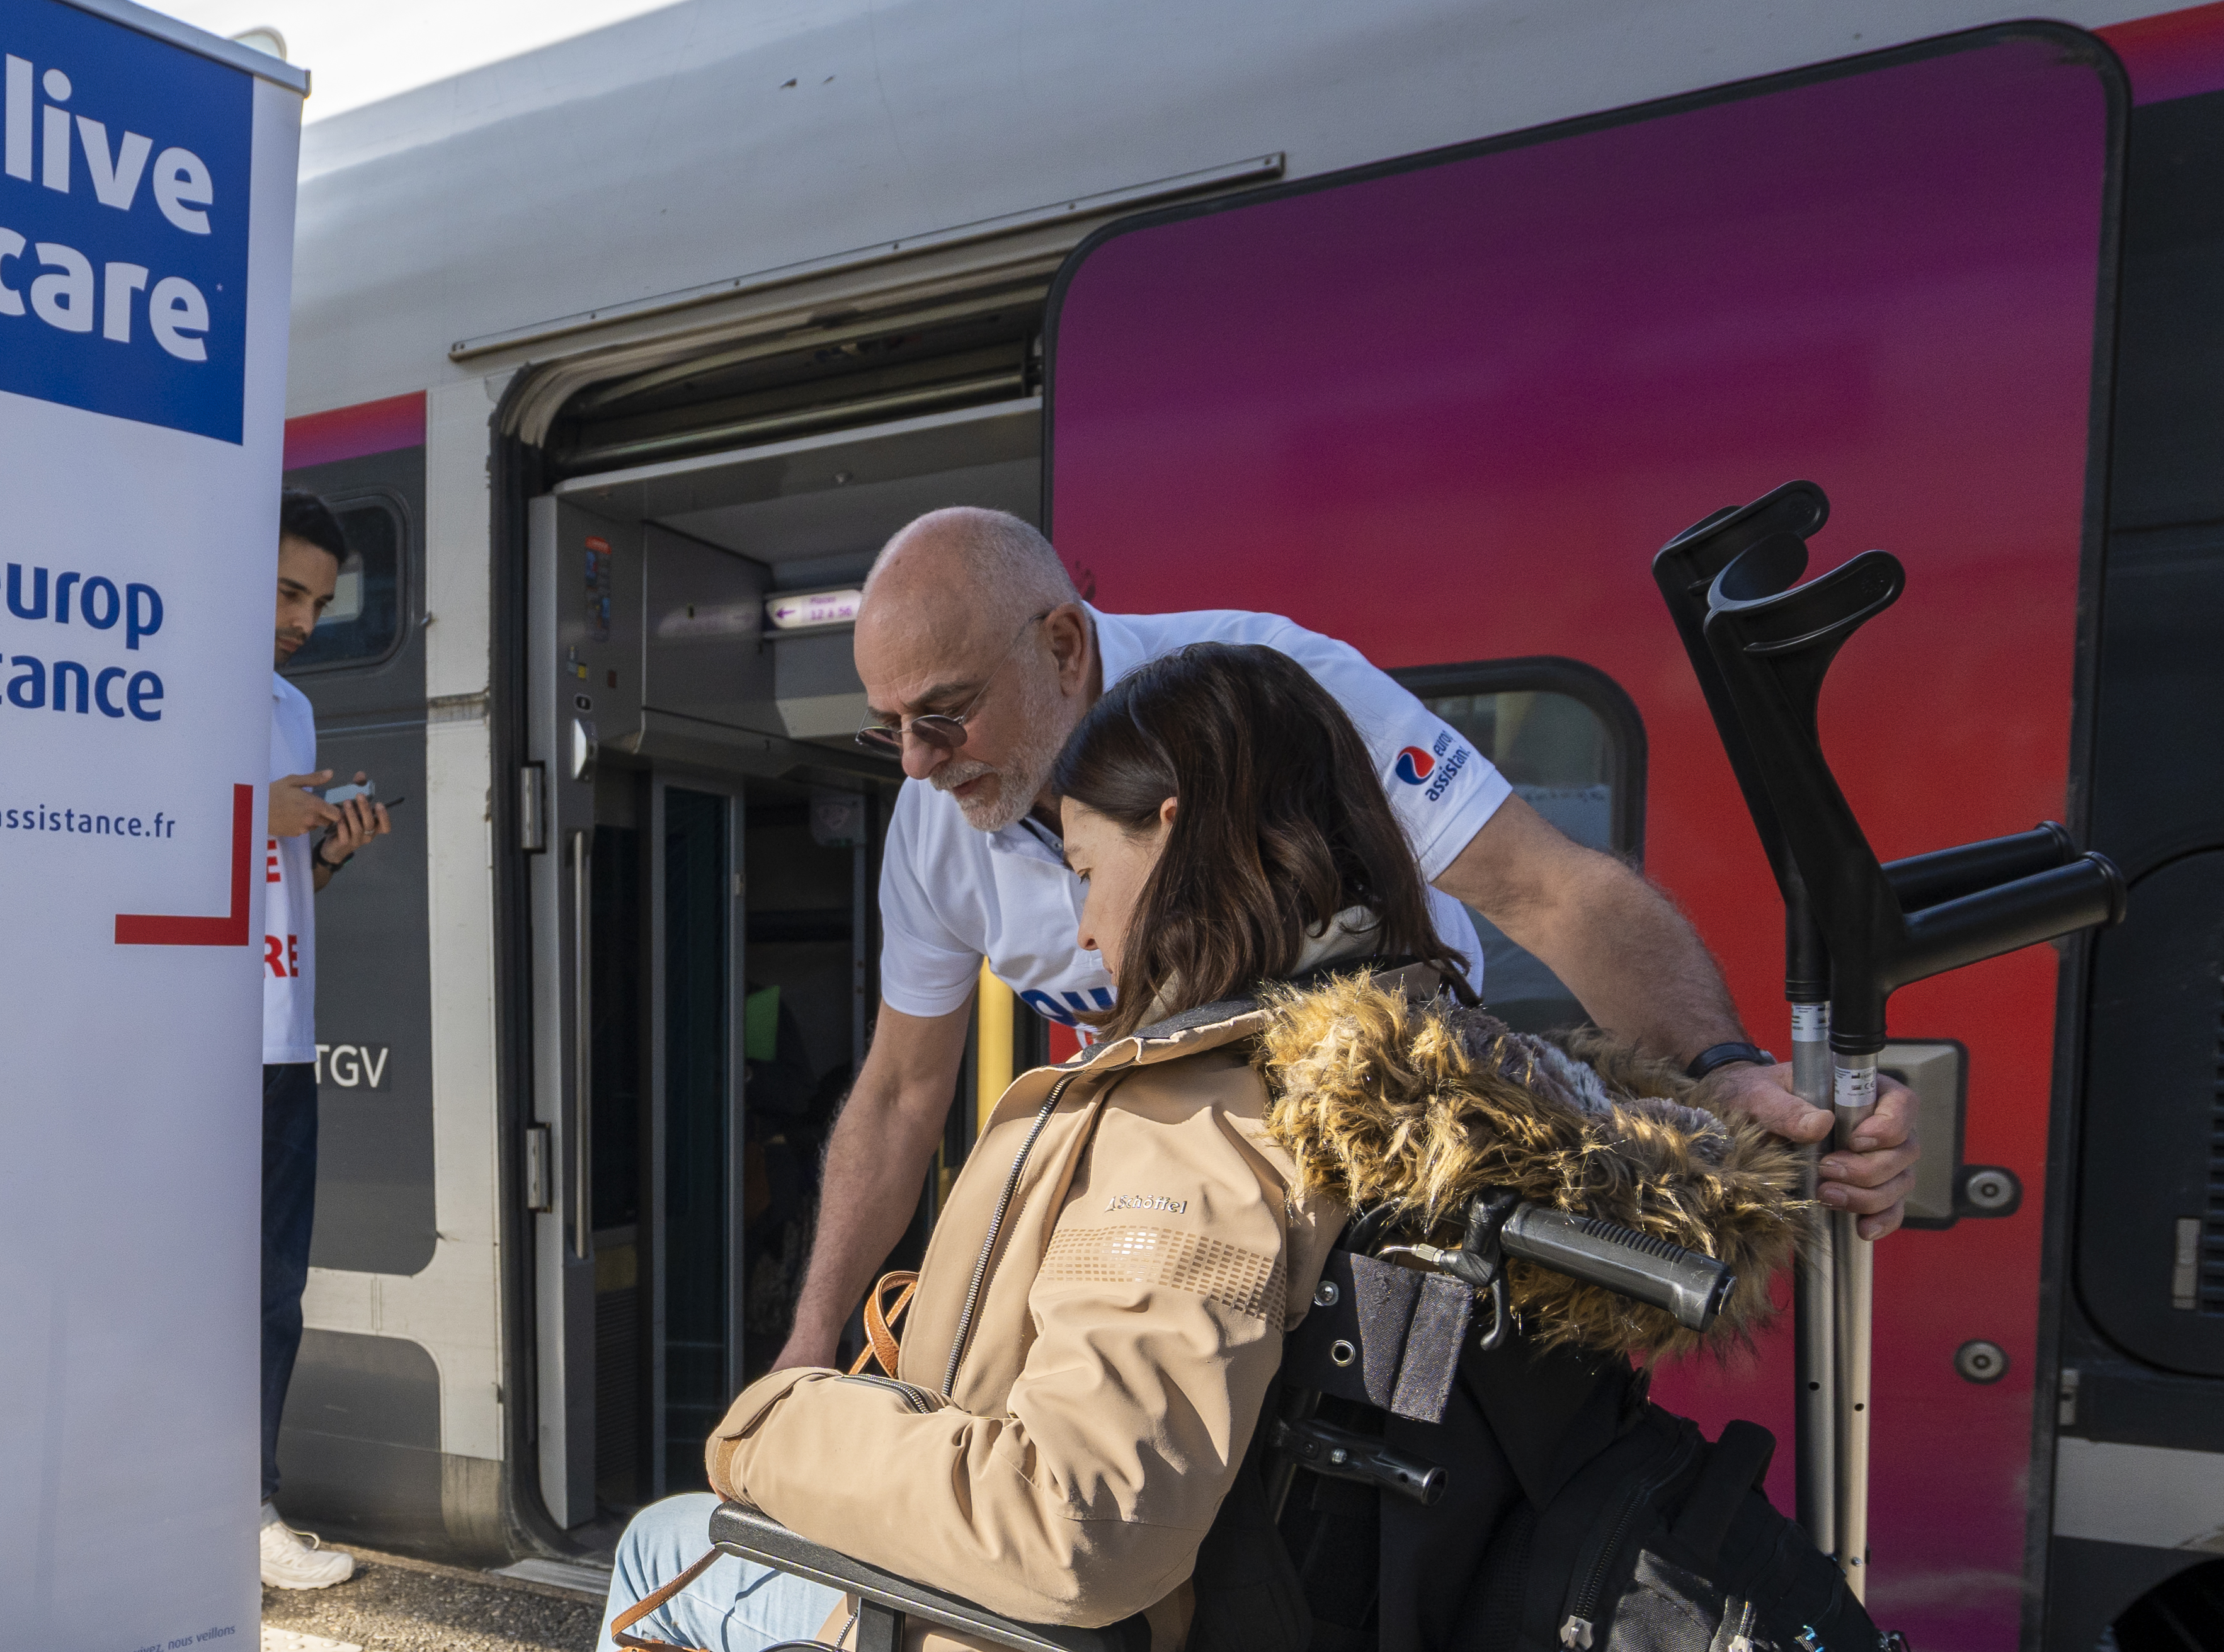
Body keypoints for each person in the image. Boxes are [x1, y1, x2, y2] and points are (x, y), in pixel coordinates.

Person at [765, 507, 1915, 1377]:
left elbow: (1549, 892)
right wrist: (807, 1350)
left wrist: (1723, 1073)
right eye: (888, 731)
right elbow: (901, 1094)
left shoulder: (1277, 698)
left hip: (1375, 1186)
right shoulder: (936, 827)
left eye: (942, 715)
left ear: (1063, 648)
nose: (915, 763)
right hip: (1194, 1214)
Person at [594, 642, 1453, 1652]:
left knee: (665, 1539)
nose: (1087, 931)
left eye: (1090, 874)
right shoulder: (1406, 1060)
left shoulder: (1196, 1128)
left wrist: (775, 1425)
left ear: (1177, 834)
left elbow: (1076, 1524)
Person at [257, 491, 391, 1594]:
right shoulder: (150, 696)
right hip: (185, 1043)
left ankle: (249, 1506)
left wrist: (325, 851)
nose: (305, 617)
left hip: (283, 1035)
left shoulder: (291, 711)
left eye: (318, 601)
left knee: (270, 1289)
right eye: (288, 591)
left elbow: (277, 889)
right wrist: (258, 816)